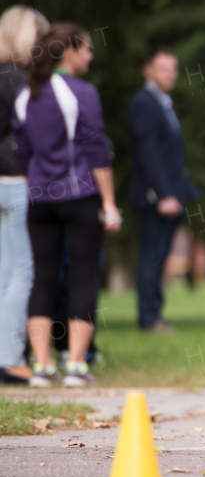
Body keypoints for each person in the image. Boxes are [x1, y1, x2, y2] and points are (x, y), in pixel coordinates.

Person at [11, 22, 121, 387]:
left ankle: (42, 367)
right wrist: (109, 203)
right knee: (83, 277)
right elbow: (96, 150)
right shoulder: (82, 92)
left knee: (42, 278)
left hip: (40, 200)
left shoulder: (27, 94)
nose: (90, 55)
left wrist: (37, 186)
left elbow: (23, 151)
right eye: (87, 48)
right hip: (79, 197)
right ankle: (75, 365)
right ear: (70, 52)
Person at [127, 46, 198, 334]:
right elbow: (148, 154)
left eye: (173, 69)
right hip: (156, 197)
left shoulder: (162, 103)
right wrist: (164, 194)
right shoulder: (144, 104)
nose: (170, 74)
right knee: (152, 257)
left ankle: (155, 315)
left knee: (159, 256)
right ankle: (149, 318)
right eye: (163, 68)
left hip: (171, 193)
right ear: (148, 70)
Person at [0, 6, 48, 385]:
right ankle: (11, 356)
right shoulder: (19, 80)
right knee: (22, 271)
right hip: (16, 180)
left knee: (4, 271)